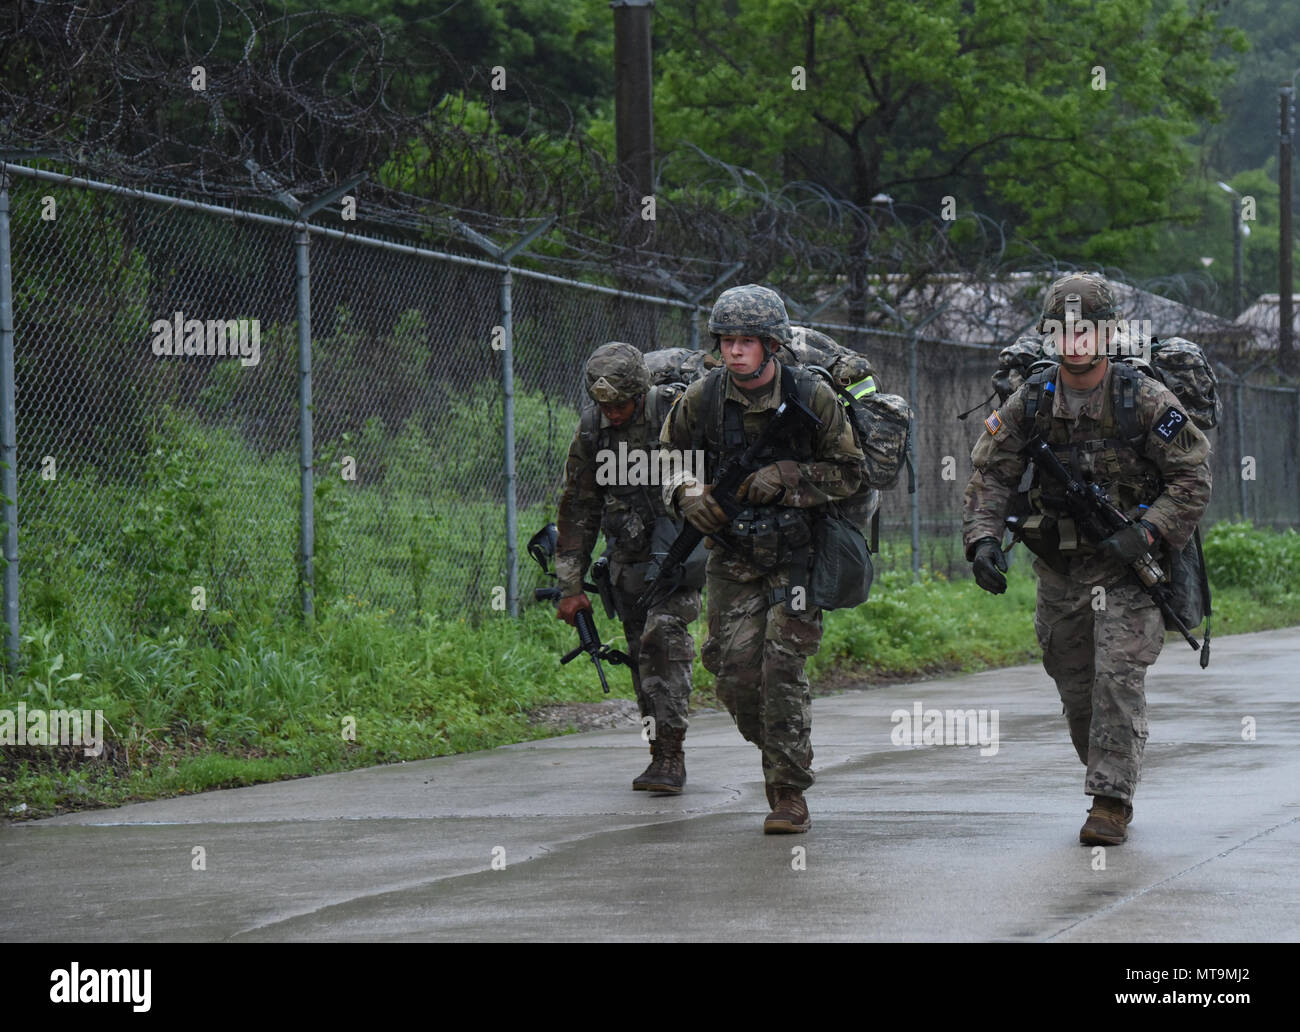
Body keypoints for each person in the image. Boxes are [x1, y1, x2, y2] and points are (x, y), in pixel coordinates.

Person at [962, 273, 1212, 845]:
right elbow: (992, 474)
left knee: (1116, 679)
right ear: (1052, 335)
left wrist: (1147, 533)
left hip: (1126, 570)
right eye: (1064, 331)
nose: (1076, 341)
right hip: (1060, 569)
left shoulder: (1143, 398)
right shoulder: (1033, 399)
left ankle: (1108, 802)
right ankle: (1106, 769)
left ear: (1108, 333)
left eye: (1088, 330)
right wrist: (982, 541)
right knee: (1076, 687)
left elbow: (1192, 477)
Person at [659, 285, 865, 833]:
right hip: (732, 558)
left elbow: (850, 471)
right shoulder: (702, 398)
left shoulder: (811, 395)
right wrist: (686, 494)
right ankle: (779, 751)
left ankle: (788, 793)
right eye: (727, 340)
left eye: (747, 340)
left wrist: (787, 476)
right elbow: (667, 458)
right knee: (732, 674)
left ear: (771, 344)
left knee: (782, 668)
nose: (735, 351)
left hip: (797, 554)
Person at [554, 342, 701, 793]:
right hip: (628, 561)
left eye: (619, 405)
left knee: (663, 640)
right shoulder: (592, 431)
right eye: (603, 405)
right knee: (642, 658)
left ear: (640, 392)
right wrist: (570, 587)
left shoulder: (675, 415)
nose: (612, 413)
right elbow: (579, 508)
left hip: (679, 555)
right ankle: (658, 752)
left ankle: (671, 756)